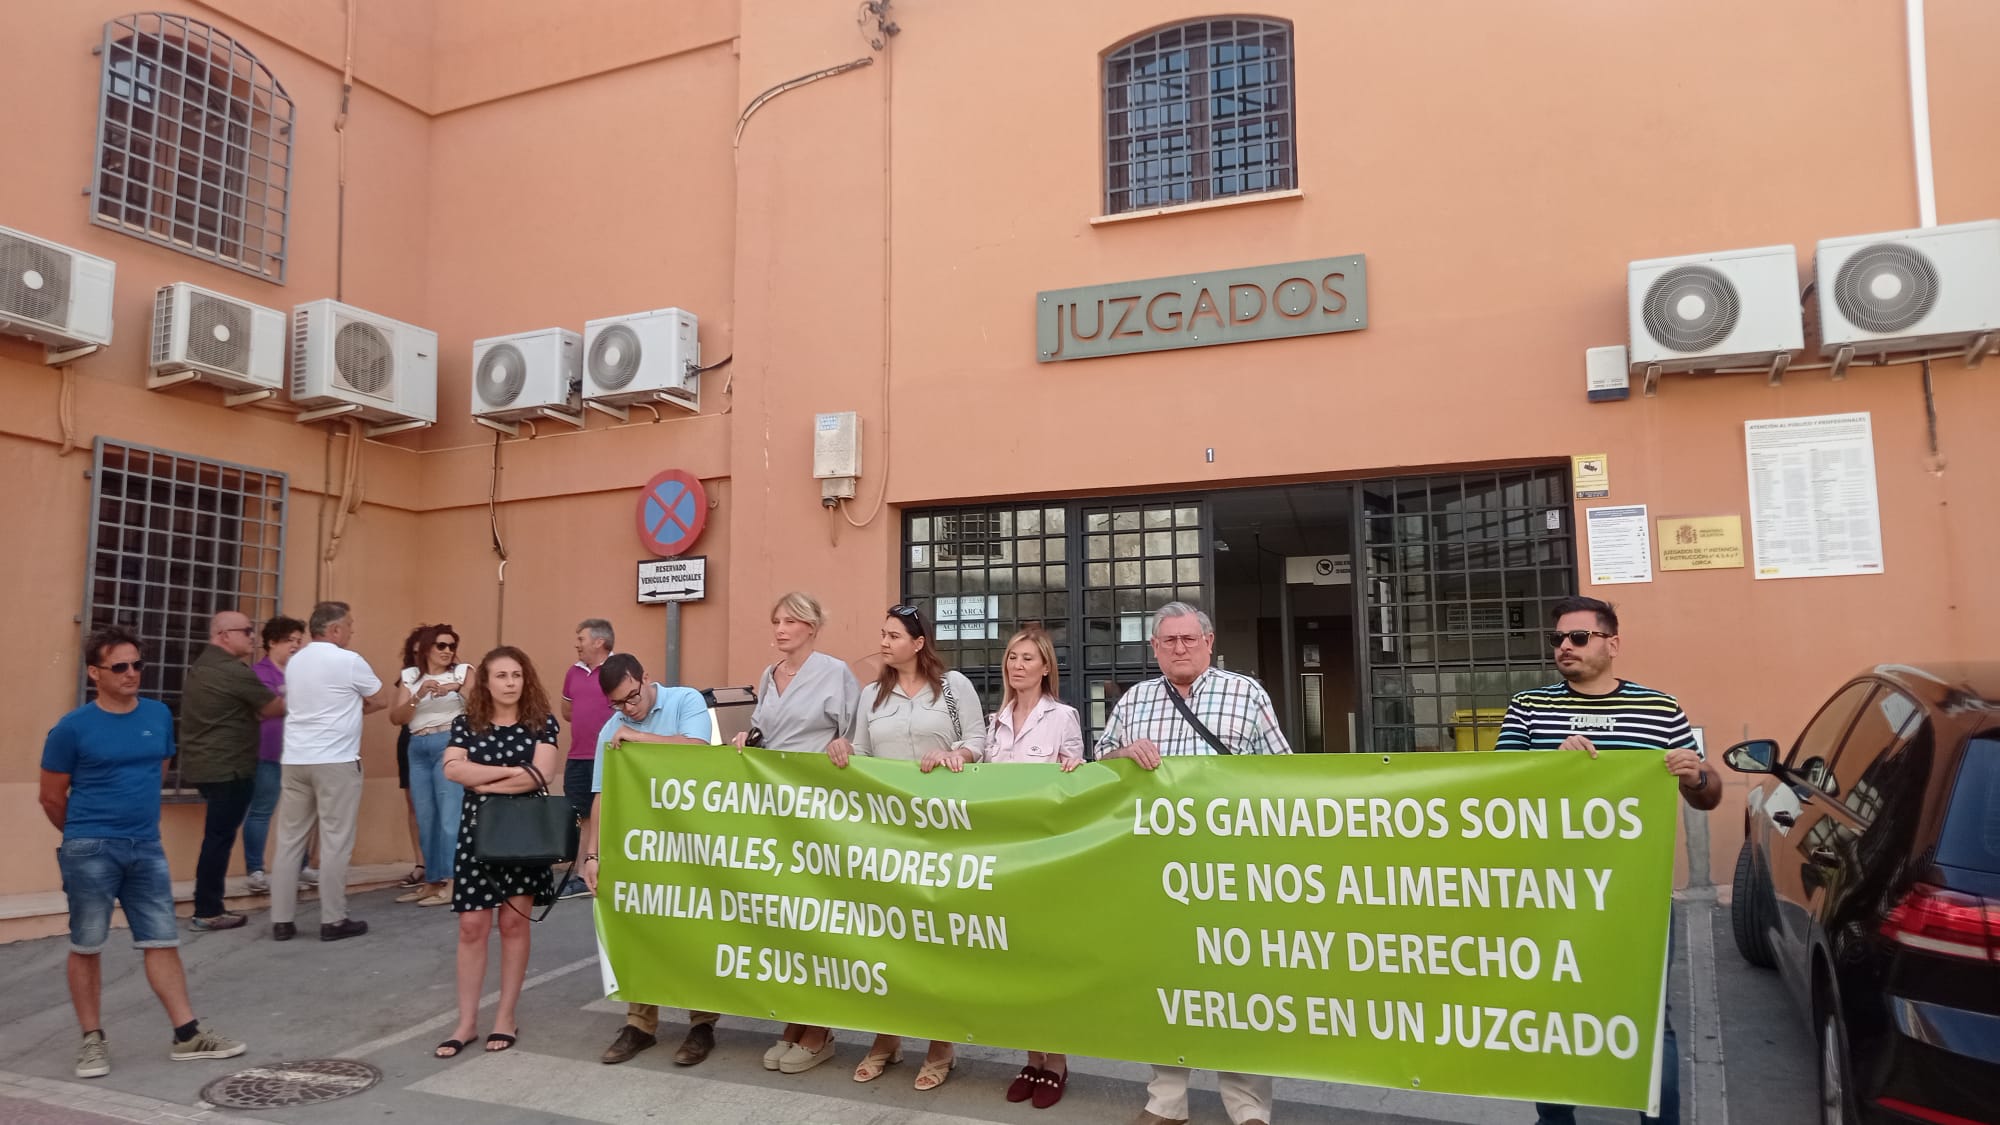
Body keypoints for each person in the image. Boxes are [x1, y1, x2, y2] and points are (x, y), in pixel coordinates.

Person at [1492, 595, 1718, 1125]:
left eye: (1578, 637)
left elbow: (1707, 796)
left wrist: (1698, 775)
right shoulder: (1529, 707)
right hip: (1546, 892)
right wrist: (1552, 769)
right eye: (1557, 640)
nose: (1563, 648)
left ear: (1612, 643)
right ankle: (1554, 1119)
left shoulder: (1660, 709)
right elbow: (1496, 792)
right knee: (1550, 1016)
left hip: (1633, 893)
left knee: (1646, 1016)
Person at [1097, 601, 1290, 1125]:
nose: (1179, 649)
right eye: (1168, 641)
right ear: (1154, 647)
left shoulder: (1246, 693)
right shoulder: (1135, 700)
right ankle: (1166, 1102)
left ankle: (1248, 1108)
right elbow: (1099, 765)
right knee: (1165, 981)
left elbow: (1284, 774)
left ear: (1208, 642)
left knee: (1239, 985)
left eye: (1188, 639)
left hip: (1231, 866)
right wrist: (1121, 754)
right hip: (1156, 868)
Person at [39, 627, 248, 1079]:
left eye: (137, 664)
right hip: (91, 847)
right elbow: (52, 797)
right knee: (87, 943)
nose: (131, 673)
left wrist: (132, 828)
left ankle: (187, 1034)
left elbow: (158, 771)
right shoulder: (72, 728)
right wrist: (82, 835)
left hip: (145, 845)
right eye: (120, 666)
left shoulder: (156, 714)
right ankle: (92, 1041)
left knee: (162, 939)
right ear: (96, 673)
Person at [842, 603, 986, 1091]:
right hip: (886, 835)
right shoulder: (870, 694)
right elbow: (860, 750)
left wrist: (955, 754)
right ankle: (887, 1038)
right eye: (881, 634)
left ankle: (941, 1043)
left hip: (940, 832)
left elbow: (977, 740)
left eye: (893, 636)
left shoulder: (953, 688)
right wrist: (841, 750)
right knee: (886, 938)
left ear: (918, 643)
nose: (883, 642)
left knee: (935, 940)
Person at [726, 591, 861, 1075]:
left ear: (811, 626)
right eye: (775, 620)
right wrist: (747, 738)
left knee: (818, 914)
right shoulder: (768, 675)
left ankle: (819, 1027)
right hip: (774, 808)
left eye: (789, 621)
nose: (780, 629)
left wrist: (844, 748)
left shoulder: (836, 672)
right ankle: (796, 1016)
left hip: (819, 806)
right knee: (786, 917)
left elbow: (855, 736)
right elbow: (763, 728)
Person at [577, 654, 718, 1067]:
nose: (628, 709)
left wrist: (638, 738)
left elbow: (697, 750)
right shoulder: (611, 728)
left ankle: (702, 1024)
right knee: (637, 927)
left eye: (632, 697)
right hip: (641, 844)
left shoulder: (684, 701)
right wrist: (592, 855)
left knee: (693, 929)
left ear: (646, 679)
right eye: (618, 704)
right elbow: (602, 795)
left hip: (692, 844)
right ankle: (640, 1024)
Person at [434, 646, 562, 1058]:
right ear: (486, 683)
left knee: (512, 924)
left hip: (523, 837)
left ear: (526, 680)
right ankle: (467, 1021)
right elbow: (453, 769)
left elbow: (540, 774)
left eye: (516, 675)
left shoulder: (542, 723)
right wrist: (510, 773)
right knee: (472, 926)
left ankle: (505, 1016)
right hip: (478, 837)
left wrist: (483, 782)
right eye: (501, 676)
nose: (510, 683)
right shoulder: (465, 723)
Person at [979, 625, 1083, 1109]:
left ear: (1045, 667)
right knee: (1016, 961)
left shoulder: (1063, 717)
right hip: (1004, 858)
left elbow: (1076, 787)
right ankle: (1030, 1056)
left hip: (1045, 857)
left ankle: (1056, 1060)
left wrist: (1074, 771)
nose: (1016, 665)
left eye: (1027, 658)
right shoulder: (993, 721)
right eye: (1012, 657)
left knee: (1046, 960)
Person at [268, 601, 391, 943]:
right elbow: (381, 699)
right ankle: (333, 919)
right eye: (349, 625)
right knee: (336, 840)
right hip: (335, 759)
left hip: (295, 758)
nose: (352, 630)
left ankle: (281, 920)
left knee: (290, 839)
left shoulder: (296, 662)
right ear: (335, 629)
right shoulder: (349, 661)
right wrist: (351, 709)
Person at [177, 610, 283, 931]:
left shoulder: (204, 665)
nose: (253, 637)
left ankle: (208, 906)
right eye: (247, 631)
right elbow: (272, 707)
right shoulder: (232, 671)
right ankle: (207, 911)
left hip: (208, 765)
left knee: (217, 837)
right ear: (224, 635)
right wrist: (303, 691)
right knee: (219, 839)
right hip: (228, 768)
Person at [391, 623, 470, 907]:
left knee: (450, 816)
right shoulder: (411, 676)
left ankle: (453, 882)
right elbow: (396, 717)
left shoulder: (462, 672)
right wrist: (418, 694)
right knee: (426, 817)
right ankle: (432, 881)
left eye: (452, 646)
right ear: (426, 649)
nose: (448, 651)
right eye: (441, 646)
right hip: (417, 745)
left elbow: (479, 703)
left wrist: (455, 687)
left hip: (449, 741)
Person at [244, 615, 307, 893]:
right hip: (267, 752)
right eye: (289, 640)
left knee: (302, 813)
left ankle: (302, 866)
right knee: (261, 810)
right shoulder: (259, 673)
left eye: (298, 640)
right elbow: (268, 707)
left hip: (299, 753)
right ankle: (255, 870)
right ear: (272, 642)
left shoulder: (301, 671)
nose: (295, 646)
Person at [558, 618, 616, 900]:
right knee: (581, 814)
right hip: (578, 755)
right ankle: (583, 873)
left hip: (609, 755)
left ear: (599, 642)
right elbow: (566, 710)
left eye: (581, 639)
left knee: (607, 813)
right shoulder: (573, 672)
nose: (576, 644)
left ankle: (603, 871)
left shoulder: (618, 670)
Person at [392, 625, 428, 891]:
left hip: (443, 742)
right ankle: (421, 864)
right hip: (411, 740)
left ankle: (445, 866)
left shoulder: (455, 675)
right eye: (414, 653)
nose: (419, 657)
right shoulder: (407, 678)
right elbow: (396, 715)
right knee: (414, 805)